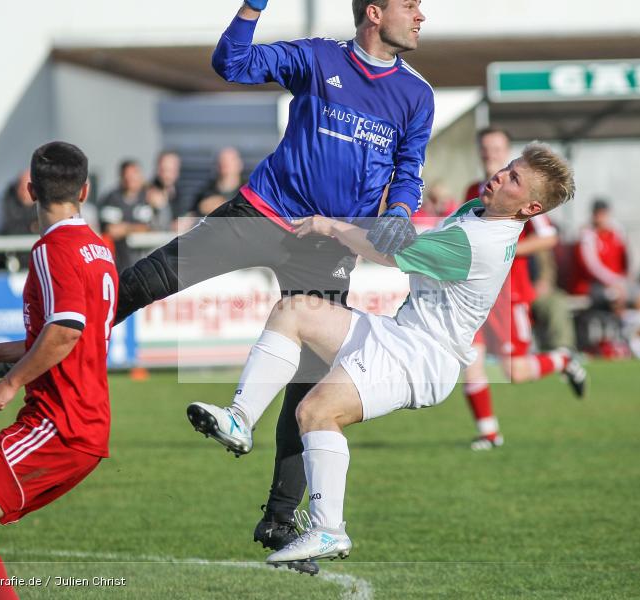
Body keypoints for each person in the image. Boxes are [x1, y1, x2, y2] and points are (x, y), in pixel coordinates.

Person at [113, 0, 433, 567]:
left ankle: (281, 520)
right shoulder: (316, 57)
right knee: (155, 274)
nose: (421, 16)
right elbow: (230, 64)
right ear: (375, 13)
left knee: (309, 385)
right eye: (410, 5)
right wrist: (253, 6)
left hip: (331, 244)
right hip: (262, 210)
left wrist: (401, 211)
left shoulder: (417, 95)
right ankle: (64, 340)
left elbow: (408, 169)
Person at [187, 143, 575, 564]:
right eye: (507, 167)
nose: (500, 175)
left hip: (422, 359)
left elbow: (390, 255)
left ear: (530, 208)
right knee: (293, 311)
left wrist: (330, 226)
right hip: (400, 332)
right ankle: (240, 419)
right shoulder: (476, 211)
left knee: (316, 412)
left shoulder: (478, 242)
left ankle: (329, 529)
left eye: (514, 178)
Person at [0, 142, 118, 600]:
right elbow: (68, 332)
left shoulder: (52, 249)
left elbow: (67, 330)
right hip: (79, 420)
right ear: (85, 191)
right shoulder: (98, 248)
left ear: (30, 189)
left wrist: (11, 381)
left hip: (61, 422)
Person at [462, 128, 585, 451]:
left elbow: (549, 237)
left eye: (496, 148)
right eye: (485, 147)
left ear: (506, 151)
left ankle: (562, 359)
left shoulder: (523, 194)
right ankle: (489, 433)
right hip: (473, 293)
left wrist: (508, 248)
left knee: (513, 370)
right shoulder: (473, 189)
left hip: (509, 294)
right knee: (470, 360)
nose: (490, 153)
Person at [571, 199, 640, 358]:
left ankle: (634, 336)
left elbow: (627, 259)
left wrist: (626, 280)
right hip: (592, 286)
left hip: (618, 283)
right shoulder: (587, 236)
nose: (600, 217)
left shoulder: (617, 232)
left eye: (603, 213)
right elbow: (593, 267)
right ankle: (620, 339)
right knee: (615, 295)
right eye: (597, 214)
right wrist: (616, 283)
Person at [99, 159, 152, 271]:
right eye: (127, 175)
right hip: (117, 263)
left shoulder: (146, 198)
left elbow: (148, 228)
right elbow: (111, 230)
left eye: (134, 175)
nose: (131, 179)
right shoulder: (112, 198)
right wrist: (134, 227)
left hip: (143, 263)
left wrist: (125, 228)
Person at [192, 146, 246, 217]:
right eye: (222, 160)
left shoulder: (247, 191)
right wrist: (201, 208)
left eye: (230, 161)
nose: (225, 164)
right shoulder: (205, 191)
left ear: (239, 164)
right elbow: (192, 216)